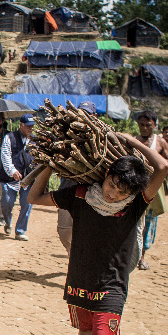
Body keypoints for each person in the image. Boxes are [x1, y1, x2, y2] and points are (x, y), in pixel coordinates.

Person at [28, 134, 168, 335]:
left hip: (112, 286)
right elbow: (33, 198)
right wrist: (50, 166)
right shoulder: (80, 195)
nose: (114, 194)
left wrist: (129, 140)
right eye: (112, 185)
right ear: (106, 175)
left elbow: (162, 166)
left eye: (122, 191)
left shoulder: (136, 205)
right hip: (80, 279)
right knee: (84, 333)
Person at [56, 102, 98, 254]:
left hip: (94, 193)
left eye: (85, 113)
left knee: (89, 232)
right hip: (68, 189)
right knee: (64, 231)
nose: (80, 117)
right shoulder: (65, 136)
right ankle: (73, 255)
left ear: (94, 116)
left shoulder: (102, 139)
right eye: (78, 113)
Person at [134, 111, 168, 271]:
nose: (144, 128)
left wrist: (157, 163)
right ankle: (131, 255)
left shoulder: (160, 142)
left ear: (155, 125)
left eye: (148, 125)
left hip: (153, 186)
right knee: (133, 220)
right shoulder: (134, 141)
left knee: (148, 222)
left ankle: (142, 257)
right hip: (135, 186)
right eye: (141, 124)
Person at [0, 114, 36, 241]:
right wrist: (12, 171)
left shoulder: (35, 140)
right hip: (10, 179)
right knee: (7, 203)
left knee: (27, 204)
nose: (31, 129)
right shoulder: (9, 138)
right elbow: (5, 156)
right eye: (28, 126)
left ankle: (20, 231)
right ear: (21, 125)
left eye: (32, 126)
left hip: (28, 178)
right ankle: (7, 221)